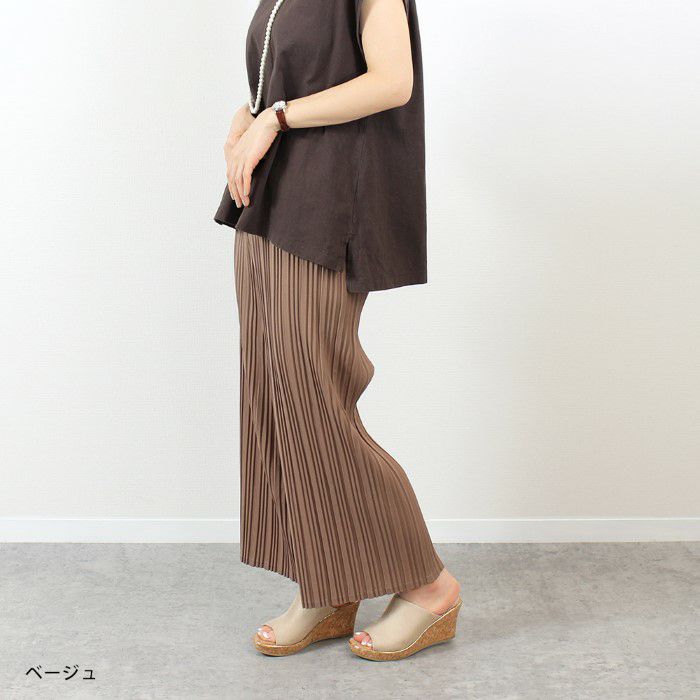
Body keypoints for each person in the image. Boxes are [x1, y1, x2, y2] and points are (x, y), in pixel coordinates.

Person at [215, 0, 461, 661]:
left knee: (314, 401)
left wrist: (276, 118)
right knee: (275, 401)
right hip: (267, 203)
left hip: (324, 206)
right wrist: (245, 119)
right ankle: (328, 581)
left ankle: (429, 585)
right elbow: (288, 79)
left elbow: (392, 81)